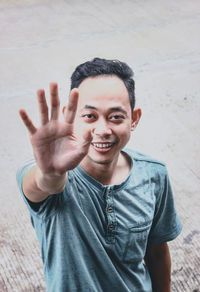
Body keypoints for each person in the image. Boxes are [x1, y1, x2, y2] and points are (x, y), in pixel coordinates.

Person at [17, 57, 182, 292]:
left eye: (116, 117)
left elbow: (157, 252)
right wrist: (50, 174)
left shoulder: (154, 174)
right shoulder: (48, 170)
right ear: (70, 116)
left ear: (134, 119)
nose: (103, 131)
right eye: (90, 116)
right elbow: (44, 185)